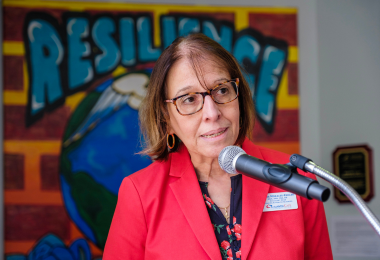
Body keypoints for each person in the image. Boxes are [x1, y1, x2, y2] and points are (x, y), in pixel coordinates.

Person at [103, 33, 333, 260]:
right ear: (166, 119)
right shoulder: (140, 194)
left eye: (222, 90)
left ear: (239, 97)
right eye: (189, 99)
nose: (212, 113)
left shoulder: (295, 180)